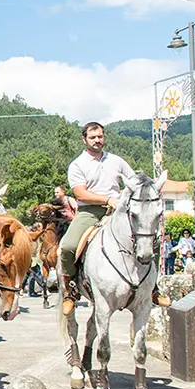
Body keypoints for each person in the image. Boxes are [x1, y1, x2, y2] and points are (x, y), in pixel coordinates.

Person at [58, 121, 169, 315]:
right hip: (89, 211)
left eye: (100, 136)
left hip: (118, 211)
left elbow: (135, 182)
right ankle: (70, 291)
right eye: (92, 137)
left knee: (153, 241)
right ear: (84, 139)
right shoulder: (77, 165)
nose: (97, 140)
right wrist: (107, 199)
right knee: (67, 247)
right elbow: (80, 193)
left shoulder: (116, 161)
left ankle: (153, 288)